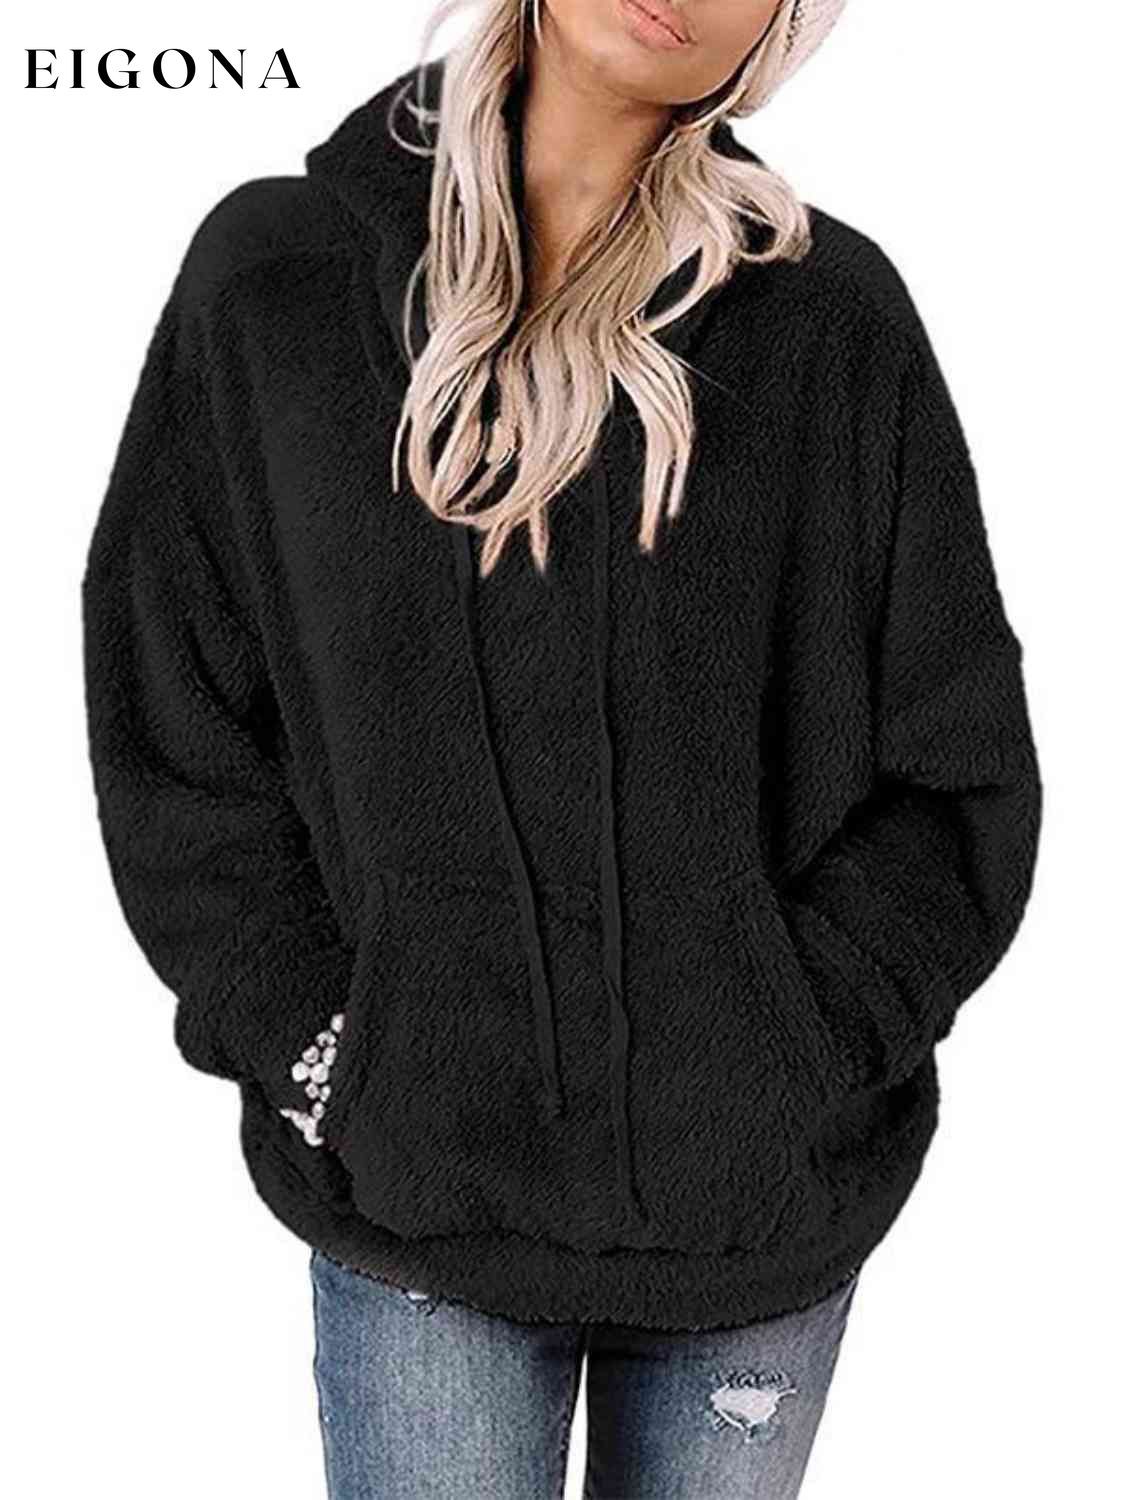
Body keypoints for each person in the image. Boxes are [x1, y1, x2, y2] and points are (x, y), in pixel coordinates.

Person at [81, 2, 1042, 1495]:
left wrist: (792, 1048)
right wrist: (329, 1047)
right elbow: (176, 719)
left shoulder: (831, 323)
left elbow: (954, 763)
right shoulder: (274, 282)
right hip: (421, 1202)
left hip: (752, 1215)